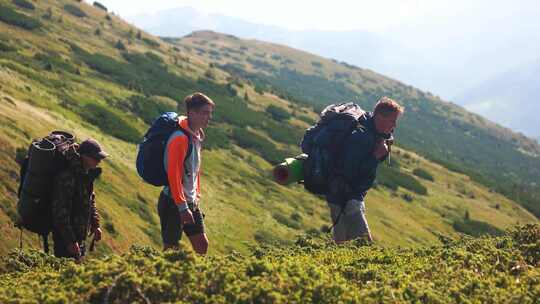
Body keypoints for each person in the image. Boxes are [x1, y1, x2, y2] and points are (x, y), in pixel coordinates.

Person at [326, 97, 404, 244]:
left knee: (342, 244)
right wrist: (375, 156)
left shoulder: (373, 130)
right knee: (363, 246)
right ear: (380, 117)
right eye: (392, 121)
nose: (394, 125)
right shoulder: (361, 137)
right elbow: (349, 172)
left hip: (344, 194)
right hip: (345, 195)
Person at [158, 92, 214, 254]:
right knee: (171, 249)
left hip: (190, 202)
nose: (208, 117)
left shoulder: (195, 137)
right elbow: (173, 175)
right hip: (173, 202)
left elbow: (193, 172)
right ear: (191, 112)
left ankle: (194, 278)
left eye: (210, 113)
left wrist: (195, 197)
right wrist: (182, 207)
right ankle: (159, 278)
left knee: (202, 245)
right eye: (204, 113)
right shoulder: (180, 138)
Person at [51, 138, 106, 260]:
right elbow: (60, 212)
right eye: (96, 158)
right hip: (65, 240)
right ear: (84, 156)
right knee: (64, 274)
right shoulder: (67, 177)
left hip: (79, 237)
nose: (99, 162)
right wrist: (70, 241)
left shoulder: (85, 175)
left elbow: (90, 201)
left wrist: (95, 225)